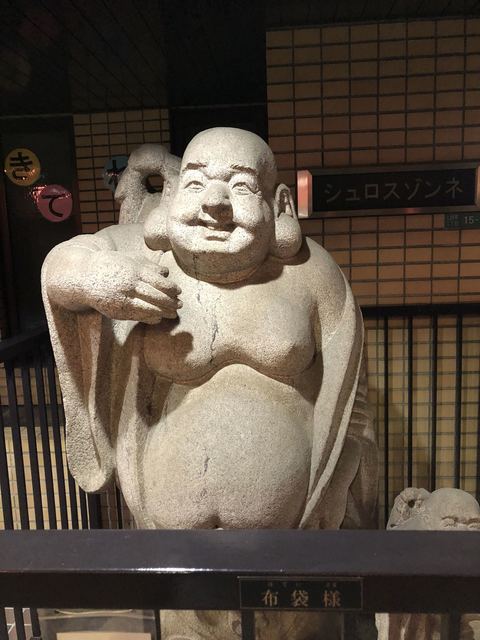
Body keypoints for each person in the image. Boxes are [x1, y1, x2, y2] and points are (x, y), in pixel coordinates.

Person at [42, 127, 377, 638]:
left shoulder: (310, 273)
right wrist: (98, 278)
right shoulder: (145, 260)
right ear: (173, 195)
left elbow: (352, 394)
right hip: (171, 541)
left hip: (297, 540)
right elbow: (61, 265)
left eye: (240, 186)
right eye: (196, 183)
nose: (215, 204)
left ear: (278, 204)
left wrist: (340, 485)